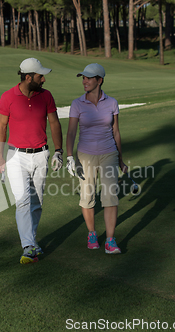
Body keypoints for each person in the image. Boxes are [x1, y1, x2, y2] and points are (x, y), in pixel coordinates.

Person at [0, 58, 63, 264]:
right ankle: (28, 247)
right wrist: (0, 158)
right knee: (23, 199)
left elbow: (54, 123)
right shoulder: (8, 97)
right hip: (16, 156)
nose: (43, 79)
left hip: (41, 154)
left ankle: (32, 242)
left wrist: (59, 151)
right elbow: (1, 127)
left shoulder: (46, 96)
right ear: (28, 77)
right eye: (39, 76)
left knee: (37, 203)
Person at [65, 63, 128, 254]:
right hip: (85, 155)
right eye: (83, 78)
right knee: (88, 196)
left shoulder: (112, 103)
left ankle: (110, 240)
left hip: (109, 153)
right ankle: (92, 233)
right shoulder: (77, 104)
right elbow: (71, 132)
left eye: (89, 78)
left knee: (110, 197)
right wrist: (69, 157)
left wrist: (120, 159)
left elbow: (116, 131)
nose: (84, 81)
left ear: (99, 80)